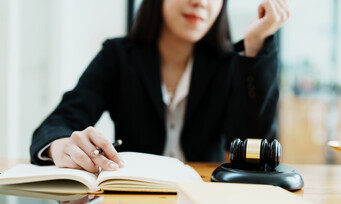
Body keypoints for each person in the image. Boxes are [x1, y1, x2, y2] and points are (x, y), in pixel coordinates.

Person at [30, 0, 290, 173]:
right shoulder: (118, 56)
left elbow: (258, 147)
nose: (200, 2)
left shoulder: (230, 64)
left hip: (204, 198)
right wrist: (61, 145)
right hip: (131, 201)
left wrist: (255, 47)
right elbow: (59, 122)